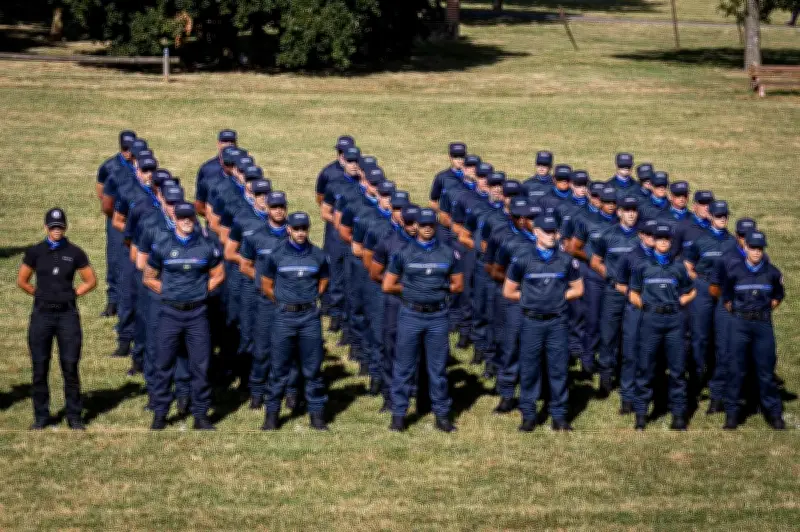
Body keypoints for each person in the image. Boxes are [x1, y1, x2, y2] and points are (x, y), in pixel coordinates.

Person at [145, 203, 225, 430]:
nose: (186, 221)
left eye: (189, 217)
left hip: (197, 314)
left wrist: (201, 291)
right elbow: (148, 277)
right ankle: (160, 413)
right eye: (182, 218)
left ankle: (201, 414)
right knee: (163, 364)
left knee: (200, 365)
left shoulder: (206, 246)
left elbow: (219, 274)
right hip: (170, 313)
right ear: (175, 220)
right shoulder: (162, 246)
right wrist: (169, 292)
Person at [383, 208, 464, 433]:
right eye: (423, 224)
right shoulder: (403, 253)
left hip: (438, 316)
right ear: (415, 226)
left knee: (437, 368)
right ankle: (399, 415)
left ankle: (442, 415)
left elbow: (458, 285)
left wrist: (439, 288)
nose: (427, 228)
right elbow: (388, 284)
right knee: (404, 367)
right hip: (411, 315)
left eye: (431, 224)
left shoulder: (448, 253)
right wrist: (412, 289)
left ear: (436, 226)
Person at [17, 208, 97, 430]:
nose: (56, 230)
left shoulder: (75, 252)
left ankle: (74, 415)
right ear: (45, 228)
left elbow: (90, 280)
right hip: (42, 314)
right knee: (40, 366)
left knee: (70, 365)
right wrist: (38, 295)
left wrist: (74, 294)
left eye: (60, 227)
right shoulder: (35, 252)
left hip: (67, 315)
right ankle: (41, 416)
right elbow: (22, 280)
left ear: (65, 227)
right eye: (53, 227)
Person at [503, 214, 583, 432]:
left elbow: (578, 289)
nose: (552, 236)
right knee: (529, 369)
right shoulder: (522, 259)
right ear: (536, 232)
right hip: (532, 322)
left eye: (554, 232)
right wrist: (531, 298)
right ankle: (529, 415)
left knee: (558, 369)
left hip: (557, 322)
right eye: (547, 232)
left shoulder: (566, 260)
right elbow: (508, 291)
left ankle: (559, 416)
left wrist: (557, 298)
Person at [261, 212, 330, 431]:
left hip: (309, 318)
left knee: (313, 369)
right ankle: (272, 417)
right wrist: (284, 302)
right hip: (284, 317)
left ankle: (317, 417)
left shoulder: (318, 255)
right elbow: (266, 284)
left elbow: (324, 280)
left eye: (304, 229)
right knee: (279, 369)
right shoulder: (276, 255)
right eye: (296, 229)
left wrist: (308, 300)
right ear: (288, 229)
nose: (300, 233)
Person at [629, 224, 696, 431]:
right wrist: (648, 307)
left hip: (674, 321)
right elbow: (633, 293)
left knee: (677, 370)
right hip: (651, 320)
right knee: (646, 367)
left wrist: (679, 303)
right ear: (653, 241)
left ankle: (678, 415)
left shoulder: (678, 267)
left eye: (667, 239)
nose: (664, 242)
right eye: (660, 239)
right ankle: (641, 414)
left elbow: (691, 291)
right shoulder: (642, 266)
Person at [721, 231, 786, 430]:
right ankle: (732, 414)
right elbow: (727, 299)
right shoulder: (734, 271)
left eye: (760, 248)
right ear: (745, 248)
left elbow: (777, 297)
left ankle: (773, 414)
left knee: (766, 370)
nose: (757, 252)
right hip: (740, 325)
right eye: (753, 248)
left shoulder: (772, 273)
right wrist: (743, 314)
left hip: (763, 326)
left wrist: (761, 312)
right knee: (736, 370)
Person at [684, 200, 738, 411]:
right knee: (700, 337)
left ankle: (717, 392)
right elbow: (688, 265)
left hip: (724, 291)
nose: (722, 219)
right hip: (704, 289)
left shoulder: (733, 243)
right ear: (711, 217)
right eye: (718, 216)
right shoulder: (700, 240)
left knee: (722, 341)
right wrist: (698, 281)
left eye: (725, 216)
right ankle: (696, 381)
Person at [239, 187, 289, 410]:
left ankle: (287, 390)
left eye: (281, 207)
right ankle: (257, 391)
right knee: (262, 349)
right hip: (265, 301)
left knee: (288, 348)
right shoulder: (256, 236)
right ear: (267, 209)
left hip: (290, 301)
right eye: (274, 207)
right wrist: (266, 281)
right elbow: (245, 265)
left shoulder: (293, 234)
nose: (278, 211)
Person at [370, 202, 418, 413]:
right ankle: (389, 396)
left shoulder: (432, 245)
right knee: (391, 347)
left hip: (421, 303)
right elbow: (375, 273)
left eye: (417, 222)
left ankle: (415, 390)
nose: (414, 227)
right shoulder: (389, 243)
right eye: (409, 222)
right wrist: (400, 287)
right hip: (396, 302)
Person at [590, 195, 640, 397]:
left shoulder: (642, 237)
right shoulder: (607, 235)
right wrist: (612, 277)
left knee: (633, 335)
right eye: (626, 209)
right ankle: (605, 377)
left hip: (636, 293)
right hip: (613, 292)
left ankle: (628, 377)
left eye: (634, 210)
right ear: (619, 212)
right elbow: (595, 262)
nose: (631, 213)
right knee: (609, 334)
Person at [613, 218, 658, 414]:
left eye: (656, 236)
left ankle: (648, 393)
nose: (653, 239)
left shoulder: (664, 257)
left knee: (652, 355)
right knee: (630, 354)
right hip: (636, 310)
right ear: (641, 235)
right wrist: (636, 297)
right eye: (649, 235)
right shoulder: (630, 257)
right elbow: (620, 283)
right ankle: (627, 397)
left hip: (657, 312)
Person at [96, 130, 136, 317]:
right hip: (117, 219)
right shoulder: (109, 167)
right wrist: (119, 216)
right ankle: (113, 300)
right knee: (115, 259)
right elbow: (103, 195)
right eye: (125, 149)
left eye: (131, 148)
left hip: (138, 219)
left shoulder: (142, 164)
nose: (128, 153)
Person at [317, 135, 354, 322]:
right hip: (334, 232)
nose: (343, 156)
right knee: (333, 270)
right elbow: (321, 200)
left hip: (355, 234)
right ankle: (331, 309)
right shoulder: (328, 173)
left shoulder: (361, 175)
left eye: (347, 153)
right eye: (340, 152)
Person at [195, 129, 237, 217]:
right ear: (218, 144)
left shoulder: (244, 167)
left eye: (231, 141)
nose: (228, 144)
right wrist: (215, 219)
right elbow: (199, 204)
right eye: (225, 141)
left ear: (236, 144)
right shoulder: (207, 169)